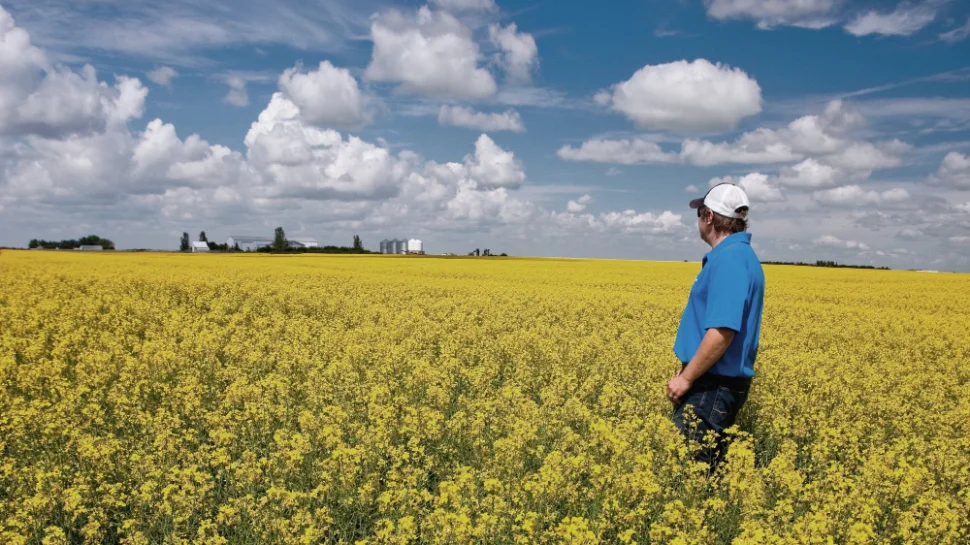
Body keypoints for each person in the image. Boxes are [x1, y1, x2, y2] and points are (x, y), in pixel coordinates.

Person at [667, 182, 765, 469]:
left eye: (699, 213)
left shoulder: (730, 260)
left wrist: (687, 378)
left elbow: (722, 331)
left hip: (713, 387)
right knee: (701, 470)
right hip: (712, 382)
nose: (697, 220)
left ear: (709, 217)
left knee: (688, 475)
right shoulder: (739, 257)